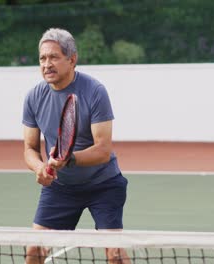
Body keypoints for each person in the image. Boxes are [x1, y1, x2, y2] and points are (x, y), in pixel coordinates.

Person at [22, 28, 130, 264]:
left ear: (72, 60)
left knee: (115, 254)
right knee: (34, 251)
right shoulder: (33, 97)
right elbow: (30, 148)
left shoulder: (94, 92)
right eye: (42, 58)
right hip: (60, 189)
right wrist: (40, 168)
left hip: (104, 185)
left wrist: (67, 160)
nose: (46, 64)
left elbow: (102, 151)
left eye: (53, 57)